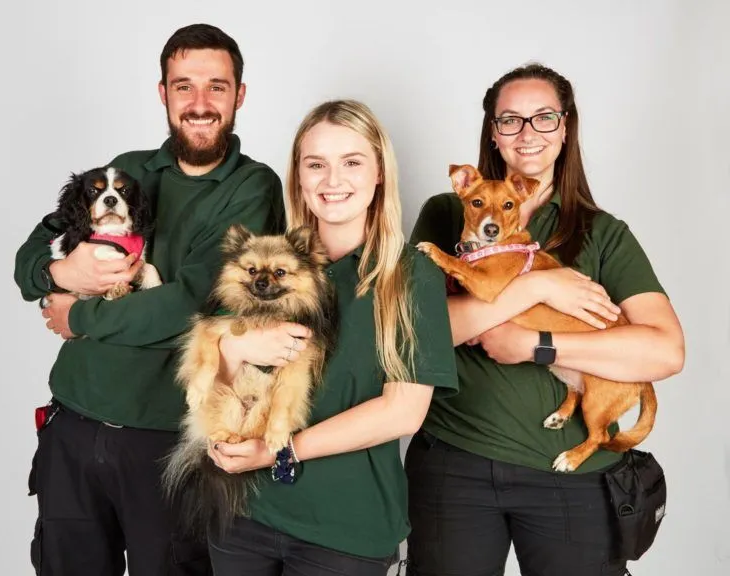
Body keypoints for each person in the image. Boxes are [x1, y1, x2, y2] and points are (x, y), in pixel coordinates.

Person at [13, 23, 285, 576]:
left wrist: (80, 314)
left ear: (241, 94)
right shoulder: (128, 170)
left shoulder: (252, 187)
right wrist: (59, 269)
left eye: (217, 86)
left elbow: (188, 305)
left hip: (164, 441)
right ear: (163, 93)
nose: (200, 103)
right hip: (72, 426)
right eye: (184, 86)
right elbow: (29, 263)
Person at [406, 63, 685, 576]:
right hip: (455, 463)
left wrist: (537, 344)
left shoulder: (603, 233)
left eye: (543, 118)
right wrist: (538, 285)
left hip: (574, 481)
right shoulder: (448, 213)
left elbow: (665, 351)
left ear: (566, 127)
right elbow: (415, 334)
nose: (527, 132)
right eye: (510, 119)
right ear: (493, 131)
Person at [203, 99, 459, 575]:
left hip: (345, 531)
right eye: (316, 164)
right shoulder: (264, 263)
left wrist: (278, 450)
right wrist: (233, 348)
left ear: (379, 172)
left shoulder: (410, 275)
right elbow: (211, 380)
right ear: (298, 175)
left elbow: (404, 411)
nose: (332, 180)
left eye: (352, 162)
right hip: (244, 515)